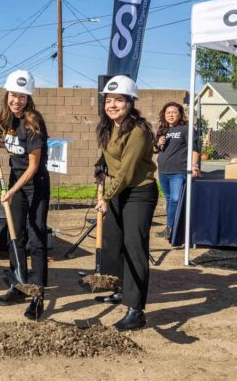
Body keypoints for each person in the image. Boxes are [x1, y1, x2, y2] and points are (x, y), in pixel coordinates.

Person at [94, 75, 158, 331]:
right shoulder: (109, 127)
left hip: (140, 193)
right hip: (119, 191)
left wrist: (106, 197)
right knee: (112, 243)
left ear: (130, 102)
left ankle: (136, 310)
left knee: (134, 248)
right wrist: (100, 165)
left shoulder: (138, 130)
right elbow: (108, 155)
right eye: (108, 100)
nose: (112, 105)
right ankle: (118, 289)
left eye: (118, 100)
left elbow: (128, 171)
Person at [0, 70, 50, 320]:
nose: (17, 100)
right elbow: (9, 147)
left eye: (22, 96)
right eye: (13, 95)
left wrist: (12, 191)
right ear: (8, 94)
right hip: (16, 180)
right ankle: (18, 284)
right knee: (15, 235)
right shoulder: (8, 118)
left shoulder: (33, 122)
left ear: (29, 98)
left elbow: (33, 166)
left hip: (34, 184)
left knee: (36, 239)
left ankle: (38, 295)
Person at [155, 101, 201, 239]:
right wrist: (158, 143)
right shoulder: (162, 130)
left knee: (175, 199)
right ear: (164, 115)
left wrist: (194, 166)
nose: (170, 115)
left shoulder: (186, 129)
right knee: (169, 199)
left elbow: (195, 149)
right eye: (168, 112)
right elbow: (156, 150)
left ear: (180, 114)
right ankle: (171, 228)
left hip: (178, 171)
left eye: (174, 112)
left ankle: (172, 229)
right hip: (163, 171)